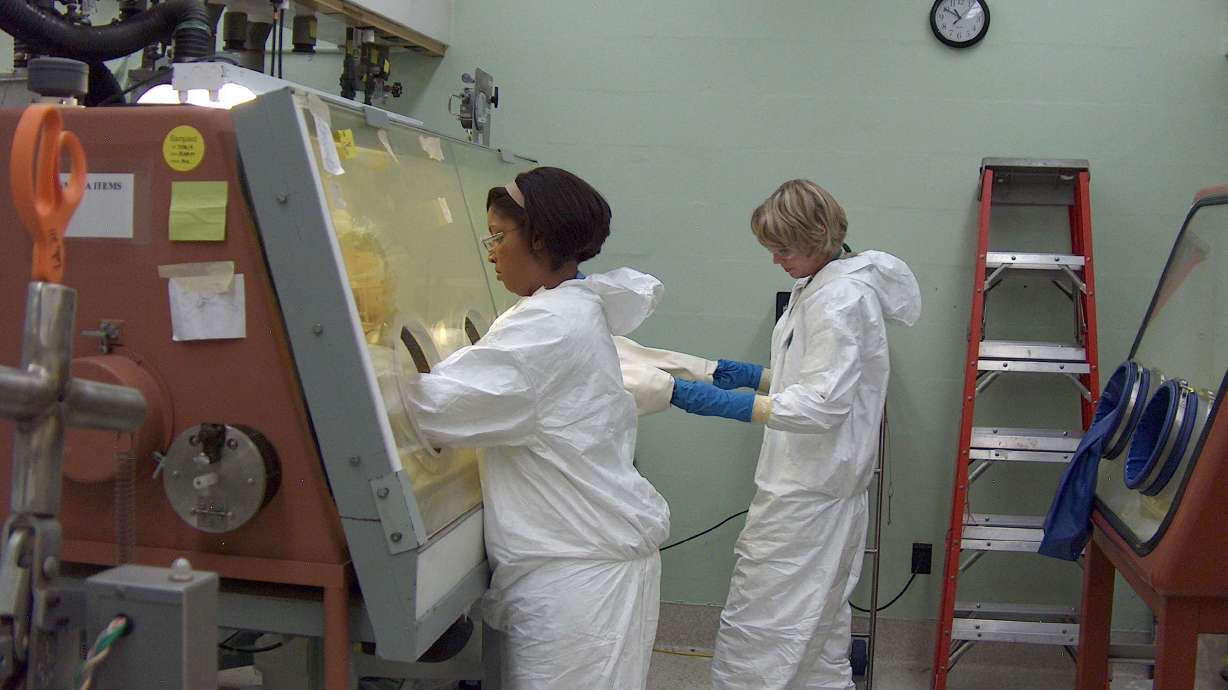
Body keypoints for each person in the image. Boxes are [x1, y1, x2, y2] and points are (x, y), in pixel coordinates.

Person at [619, 179, 920, 689]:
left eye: (783, 248)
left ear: (819, 233)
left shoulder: (840, 299)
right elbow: (818, 378)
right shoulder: (822, 284)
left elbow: (820, 405)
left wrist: (707, 400)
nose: (776, 260)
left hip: (807, 498)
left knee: (761, 632)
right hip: (821, 490)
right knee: (819, 636)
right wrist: (743, 375)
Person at [401, 167, 670, 689]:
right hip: (581, 568)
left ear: (540, 238)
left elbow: (431, 407)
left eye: (500, 237)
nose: (492, 251)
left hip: (578, 584)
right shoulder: (563, 308)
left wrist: (353, 360)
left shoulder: (550, 327)